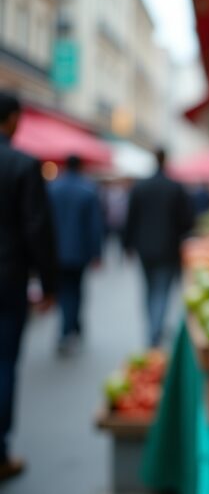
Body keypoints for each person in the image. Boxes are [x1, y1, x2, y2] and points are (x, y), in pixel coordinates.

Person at [0, 90, 57, 479]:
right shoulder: (21, 164)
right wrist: (49, 283)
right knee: (4, 363)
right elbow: (37, 228)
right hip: (7, 280)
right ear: (13, 119)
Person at [123, 148, 194, 347]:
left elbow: (130, 218)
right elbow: (187, 221)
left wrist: (127, 245)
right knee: (161, 290)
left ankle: (153, 329)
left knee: (149, 289)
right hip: (168, 248)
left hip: (144, 248)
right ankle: (155, 330)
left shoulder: (141, 187)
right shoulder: (175, 187)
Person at [48, 154, 103, 354]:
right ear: (80, 166)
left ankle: (72, 326)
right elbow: (95, 226)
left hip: (56, 251)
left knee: (64, 291)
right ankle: (68, 330)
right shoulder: (87, 189)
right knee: (75, 291)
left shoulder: (52, 188)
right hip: (79, 251)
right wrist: (97, 253)